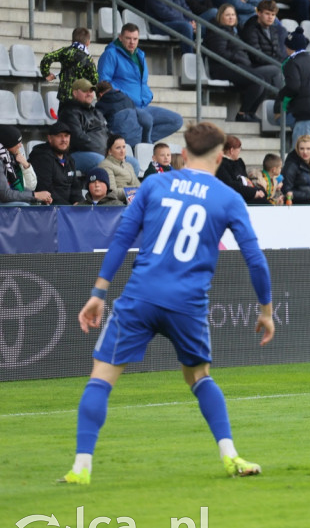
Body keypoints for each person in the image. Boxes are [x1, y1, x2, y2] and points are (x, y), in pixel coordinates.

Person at [61, 122, 274, 485]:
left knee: (101, 379)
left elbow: (122, 238)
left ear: (183, 154)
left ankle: (81, 466)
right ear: (221, 157)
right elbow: (255, 259)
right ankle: (229, 455)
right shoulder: (228, 198)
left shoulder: (155, 184)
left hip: (140, 297)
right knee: (199, 378)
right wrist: (266, 310)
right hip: (187, 304)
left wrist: (98, 293)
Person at [97, 24, 184, 144]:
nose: (132, 42)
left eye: (135, 39)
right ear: (120, 37)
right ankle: (143, 144)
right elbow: (104, 83)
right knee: (146, 121)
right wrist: (124, 98)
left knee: (176, 120)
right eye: (128, 38)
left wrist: (147, 95)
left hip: (143, 105)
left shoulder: (140, 55)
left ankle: (142, 142)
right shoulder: (111, 54)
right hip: (126, 108)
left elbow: (141, 82)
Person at [206, 4, 284, 123]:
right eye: (227, 15)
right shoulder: (217, 31)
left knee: (266, 78)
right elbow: (220, 53)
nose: (231, 17)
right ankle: (242, 113)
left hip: (239, 66)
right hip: (223, 68)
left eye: (233, 15)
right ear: (220, 16)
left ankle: (251, 113)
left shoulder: (234, 32)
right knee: (257, 80)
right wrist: (239, 58)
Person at [40, 27, 99, 106]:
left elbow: (47, 58)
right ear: (88, 43)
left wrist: (46, 73)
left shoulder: (65, 51)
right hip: (80, 98)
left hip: (64, 97)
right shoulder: (88, 59)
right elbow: (95, 80)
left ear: (72, 41)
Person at [28, 120, 81, 205]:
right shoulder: (41, 157)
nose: (64, 140)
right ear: (50, 138)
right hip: (49, 210)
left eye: (66, 136)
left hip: (67, 209)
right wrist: (68, 207)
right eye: (59, 136)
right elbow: (45, 189)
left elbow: (75, 187)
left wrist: (77, 202)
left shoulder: (69, 159)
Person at [0, 125, 51, 206]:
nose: (20, 145)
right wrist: (35, 195)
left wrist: (39, 196)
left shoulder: (10, 157)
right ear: (8, 143)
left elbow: (27, 187)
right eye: (17, 142)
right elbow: (5, 194)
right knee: (25, 206)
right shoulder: (2, 161)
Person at [216, 135, 267, 205]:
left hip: (245, 193)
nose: (240, 151)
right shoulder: (221, 165)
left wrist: (257, 191)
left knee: (263, 195)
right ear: (232, 150)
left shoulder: (239, 163)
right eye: (239, 148)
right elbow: (231, 185)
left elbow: (246, 181)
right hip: (234, 199)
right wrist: (254, 192)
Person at [282, 134, 310, 204]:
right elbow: (286, 190)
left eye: (308, 148)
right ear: (297, 149)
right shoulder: (291, 165)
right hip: (298, 205)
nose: (305, 152)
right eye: (302, 148)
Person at [98, 134, 141, 202]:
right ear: (110, 151)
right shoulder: (105, 165)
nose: (122, 151)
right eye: (118, 148)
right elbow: (112, 192)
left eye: (124, 147)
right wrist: (133, 190)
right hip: (118, 204)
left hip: (132, 200)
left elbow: (139, 187)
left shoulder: (128, 165)